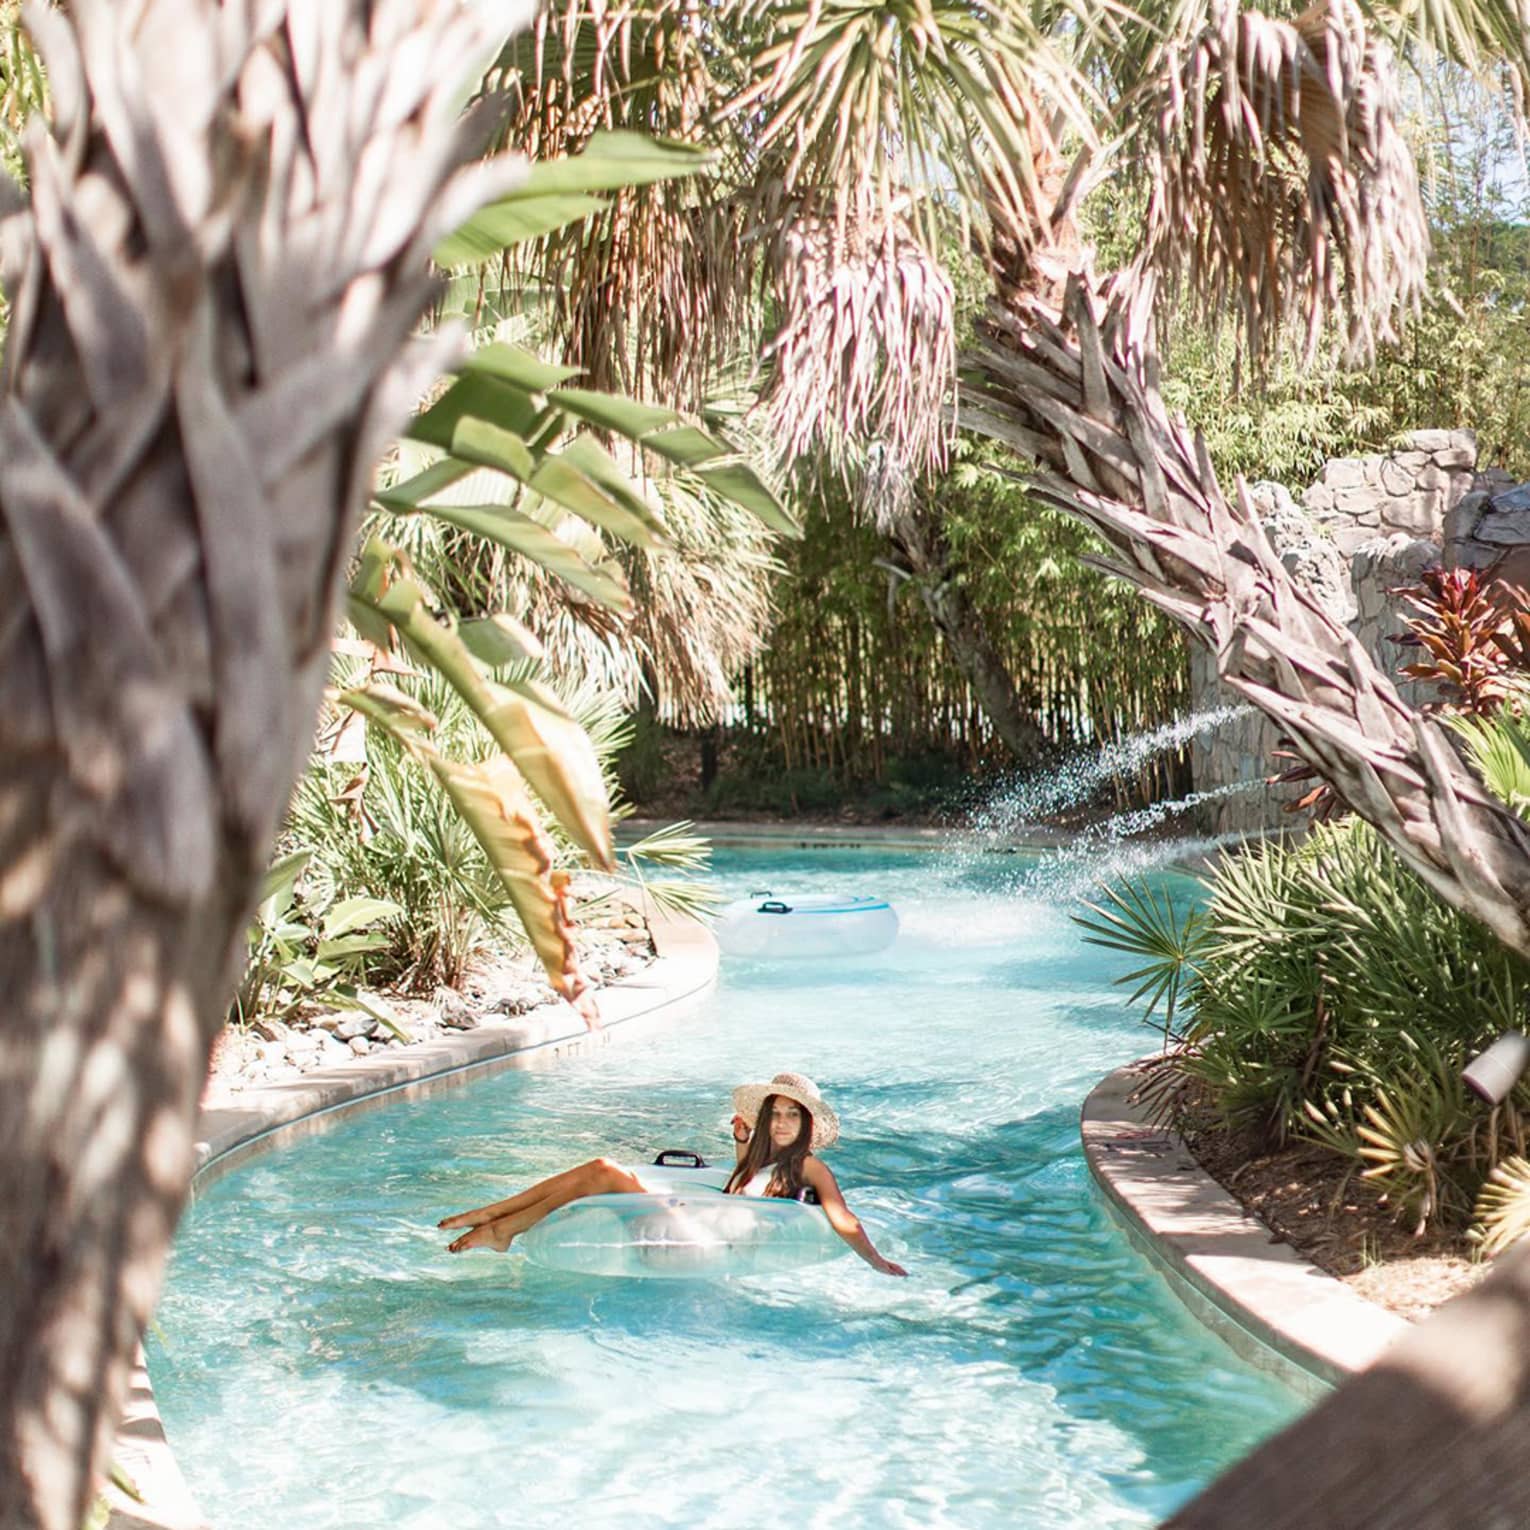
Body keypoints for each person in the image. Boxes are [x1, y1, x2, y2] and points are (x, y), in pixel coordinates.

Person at [438, 1070, 908, 1277]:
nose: (784, 1122)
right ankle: (497, 1220)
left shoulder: (808, 1167)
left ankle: (500, 1223)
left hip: (700, 1249)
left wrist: (875, 1261)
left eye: (794, 1115)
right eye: (777, 1113)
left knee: (604, 1171)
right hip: (684, 1238)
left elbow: (842, 1218)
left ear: (807, 1125)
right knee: (597, 1171)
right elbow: (735, 1193)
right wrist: (743, 1141)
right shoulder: (752, 1160)